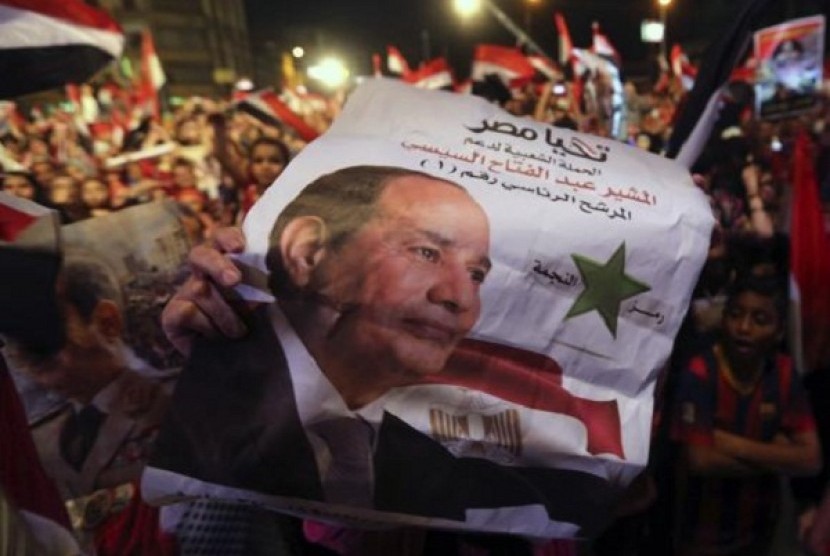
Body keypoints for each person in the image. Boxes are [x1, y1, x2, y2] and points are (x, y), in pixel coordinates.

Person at [151, 165, 622, 540]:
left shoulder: (425, 447)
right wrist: (192, 375)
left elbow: (589, 499)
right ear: (309, 252)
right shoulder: (225, 382)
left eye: (477, 274)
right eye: (425, 253)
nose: (458, 297)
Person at [1, 250, 176, 553]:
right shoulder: (38, 438)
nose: (21, 351)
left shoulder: (175, 402)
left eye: (41, 323)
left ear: (107, 322)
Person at [670, 273, 821, 555]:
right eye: (735, 314)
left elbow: (811, 460)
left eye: (760, 320)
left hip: (760, 528)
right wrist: (780, 456)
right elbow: (699, 460)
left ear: (778, 331)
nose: (743, 327)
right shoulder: (701, 373)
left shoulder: (783, 374)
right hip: (701, 535)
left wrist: (725, 441)